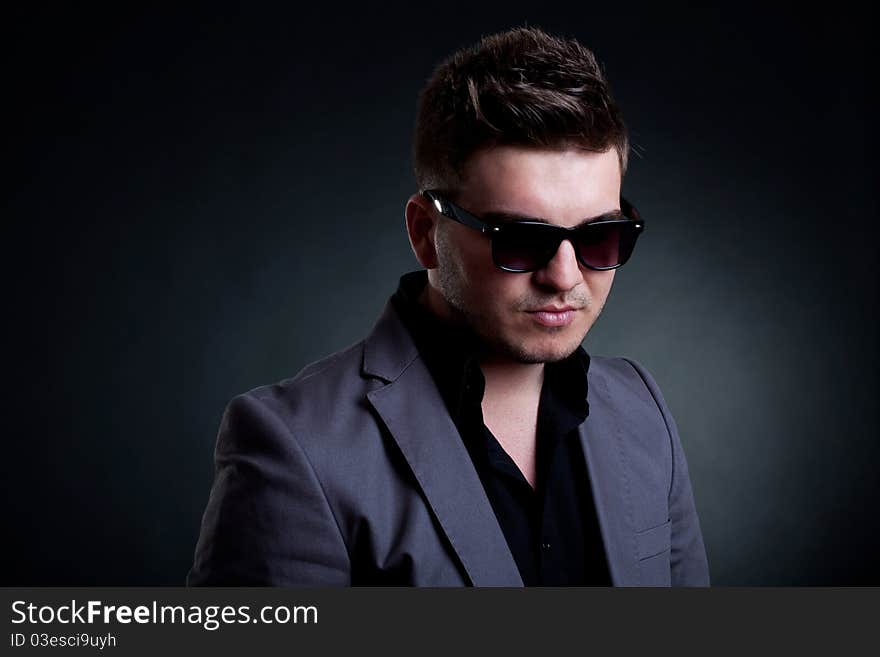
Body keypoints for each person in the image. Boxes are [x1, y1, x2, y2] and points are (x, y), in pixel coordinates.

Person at [187, 26, 709, 586]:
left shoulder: (642, 410)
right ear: (423, 232)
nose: (564, 276)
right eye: (521, 238)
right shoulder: (293, 447)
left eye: (599, 237)